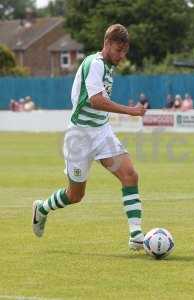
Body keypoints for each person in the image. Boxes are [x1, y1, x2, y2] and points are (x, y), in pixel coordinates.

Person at [31, 24, 147, 251]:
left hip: (101, 132)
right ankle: (42, 208)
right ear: (106, 44)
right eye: (118, 51)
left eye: (125, 52)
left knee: (130, 175)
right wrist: (130, 111)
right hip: (80, 137)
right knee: (75, 195)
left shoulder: (108, 66)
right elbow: (96, 100)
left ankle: (136, 234)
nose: (122, 56)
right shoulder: (94, 64)